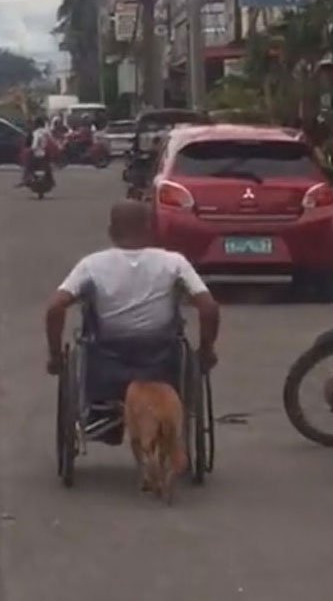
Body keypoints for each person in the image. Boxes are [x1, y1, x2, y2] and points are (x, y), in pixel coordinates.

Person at [44, 201, 220, 438]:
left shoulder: (91, 265)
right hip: (163, 357)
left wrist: (56, 356)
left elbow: (56, 307)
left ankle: (103, 422)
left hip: (106, 357)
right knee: (183, 351)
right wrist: (207, 350)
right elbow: (208, 307)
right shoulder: (174, 262)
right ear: (150, 229)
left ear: (111, 232)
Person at [16, 117, 53, 188]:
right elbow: (52, 141)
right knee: (48, 168)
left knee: (28, 166)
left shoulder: (36, 133)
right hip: (46, 154)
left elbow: (34, 145)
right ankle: (51, 181)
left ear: (37, 124)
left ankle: (26, 179)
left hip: (37, 154)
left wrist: (30, 149)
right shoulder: (47, 132)